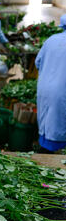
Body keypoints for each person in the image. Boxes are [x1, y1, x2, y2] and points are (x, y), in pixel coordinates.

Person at [35, 14, 66, 154]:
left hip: (44, 88)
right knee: (58, 124)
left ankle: (44, 153)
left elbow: (37, 62)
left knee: (47, 122)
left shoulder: (51, 40)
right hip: (61, 90)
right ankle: (52, 159)